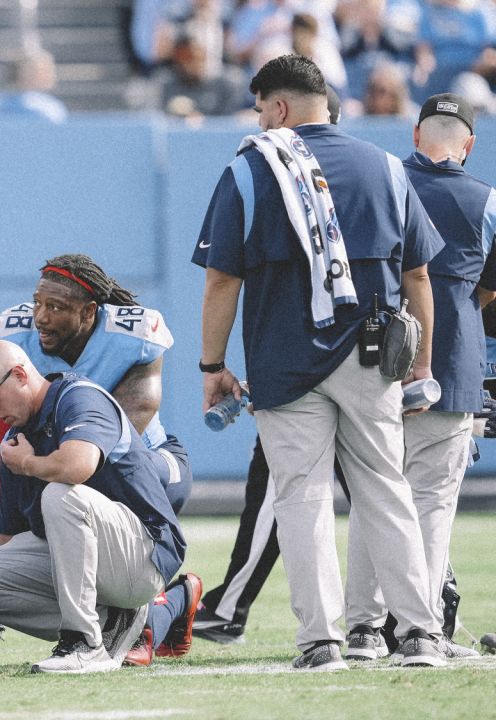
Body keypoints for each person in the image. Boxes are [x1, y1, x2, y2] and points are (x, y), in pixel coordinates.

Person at [193, 53, 446, 670]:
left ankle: (322, 641)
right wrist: (421, 367)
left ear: (277, 109)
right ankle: (416, 634)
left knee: (302, 499)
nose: (257, 120)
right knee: (386, 491)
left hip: (284, 362)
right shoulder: (387, 166)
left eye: (258, 108)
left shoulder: (253, 167)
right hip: (373, 356)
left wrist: (211, 366)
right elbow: (417, 272)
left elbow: (223, 279)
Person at [0, 254, 198, 666]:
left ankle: (100, 632)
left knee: (63, 496)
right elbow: (2, 517)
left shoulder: (106, 367)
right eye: (37, 304)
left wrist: (37, 464)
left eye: (56, 307)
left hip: (141, 461)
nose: (41, 317)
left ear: (89, 312)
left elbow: (106, 445)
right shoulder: (20, 427)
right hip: (66, 466)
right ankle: (124, 620)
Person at [344, 93, 493, 663]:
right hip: (452, 361)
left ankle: (361, 629)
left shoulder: (381, 184)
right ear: (470, 145)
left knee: (373, 495)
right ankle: (420, 631)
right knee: (430, 501)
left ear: (414, 134)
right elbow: (487, 292)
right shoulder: (488, 201)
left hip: (373, 358)